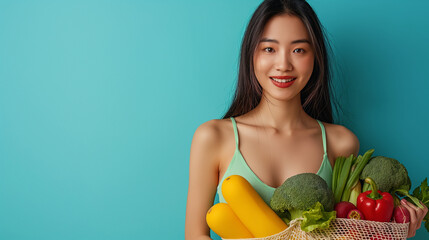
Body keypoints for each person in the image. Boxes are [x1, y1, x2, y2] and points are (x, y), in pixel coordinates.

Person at [185, 0, 428, 239]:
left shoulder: (340, 143)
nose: (283, 64)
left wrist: (396, 228)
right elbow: (195, 235)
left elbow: (351, 232)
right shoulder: (213, 137)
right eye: (269, 49)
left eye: (298, 50)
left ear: (315, 57)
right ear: (251, 55)